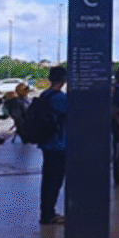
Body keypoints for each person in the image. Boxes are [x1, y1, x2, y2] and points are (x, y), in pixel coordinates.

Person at [39, 67, 68, 225]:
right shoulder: (61, 98)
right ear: (63, 81)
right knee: (55, 181)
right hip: (59, 144)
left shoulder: (45, 95)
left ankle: (46, 212)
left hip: (47, 143)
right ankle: (49, 215)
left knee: (48, 179)